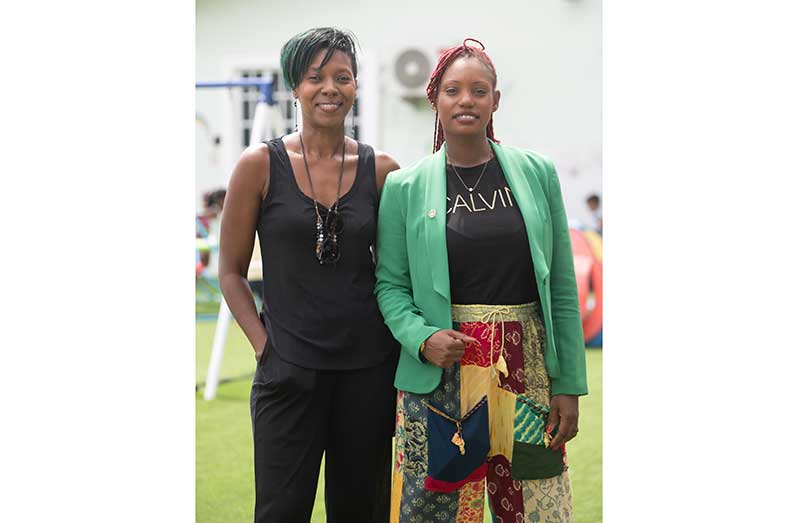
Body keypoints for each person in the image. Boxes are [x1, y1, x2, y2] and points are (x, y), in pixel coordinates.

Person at [374, 38, 588, 522]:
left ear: (496, 99)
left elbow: (560, 287)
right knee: (437, 511)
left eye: (478, 90)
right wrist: (421, 337)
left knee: (533, 509)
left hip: (527, 373)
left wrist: (569, 384)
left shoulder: (537, 173)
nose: (465, 100)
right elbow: (389, 285)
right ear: (435, 99)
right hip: (440, 374)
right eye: (453, 90)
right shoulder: (404, 187)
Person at [219, 27, 400, 523]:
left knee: (361, 511)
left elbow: (395, 275)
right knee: (280, 511)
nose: (329, 88)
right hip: (287, 371)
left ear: (356, 86)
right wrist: (266, 349)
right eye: (316, 77)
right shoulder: (259, 165)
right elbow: (231, 272)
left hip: (368, 372)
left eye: (343, 77)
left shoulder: (382, 171)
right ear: (295, 86)